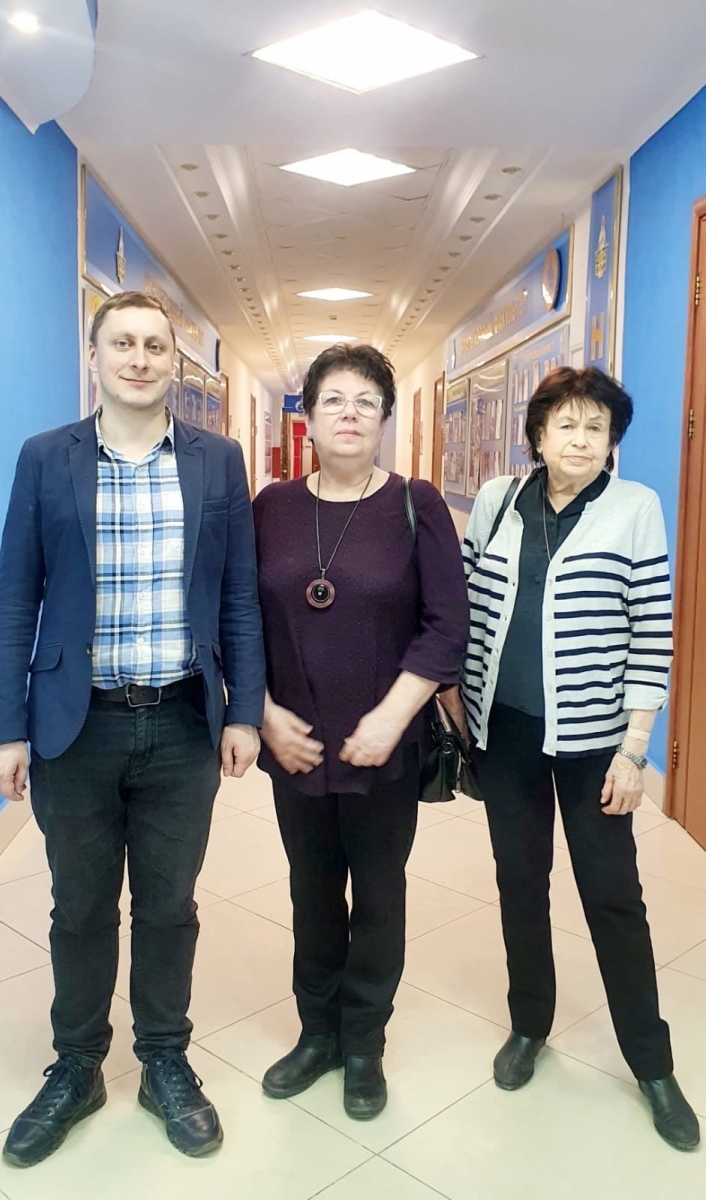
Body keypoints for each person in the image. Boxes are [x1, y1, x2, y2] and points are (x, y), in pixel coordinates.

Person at [0, 291, 265, 1166]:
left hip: (182, 722)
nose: (139, 359)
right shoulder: (47, 457)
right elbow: (14, 599)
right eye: (122, 344)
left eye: (154, 345)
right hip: (76, 726)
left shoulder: (218, 460)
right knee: (79, 907)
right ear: (95, 355)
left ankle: (164, 1061)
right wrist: (3, 727)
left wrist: (244, 711)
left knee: (169, 906)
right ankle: (76, 1066)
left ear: (174, 362)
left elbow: (239, 598)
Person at [446, 366, 699, 1151]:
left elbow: (650, 630)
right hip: (504, 735)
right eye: (566, 425)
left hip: (595, 746)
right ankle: (530, 1025)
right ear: (537, 434)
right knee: (519, 884)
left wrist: (634, 749)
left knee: (612, 896)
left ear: (611, 439)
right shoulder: (498, 500)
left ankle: (651, 1065)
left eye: (596, 427)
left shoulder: (634, 508)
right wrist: (453, 708)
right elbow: (461, 603)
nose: (581, 440)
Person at [253, 344, 469, 1120]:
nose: (348, 414)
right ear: (307, 418)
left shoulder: (416, 503)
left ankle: (362, 1045)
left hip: (384, 746)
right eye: (333, 400)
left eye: (365, 402)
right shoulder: (270, 507)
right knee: (311, 892)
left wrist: (390, 716)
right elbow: (238, 617)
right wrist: (262, 713)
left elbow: (447, 626)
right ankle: (317, 1033)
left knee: (378, 894)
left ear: (383, 419)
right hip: (294, 745)